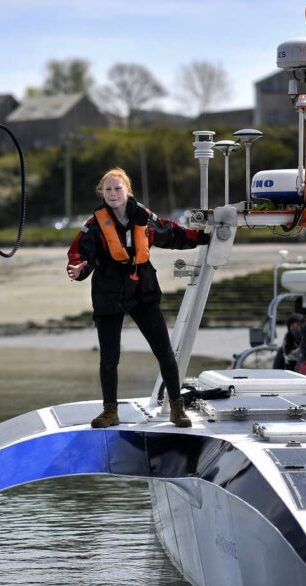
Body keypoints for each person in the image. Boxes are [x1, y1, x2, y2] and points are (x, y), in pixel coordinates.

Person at [67, 167, 209, 428]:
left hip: (142, 291)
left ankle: (177, 408)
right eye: (108, 189)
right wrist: (78, 269)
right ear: (102, 193)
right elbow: (79, 253)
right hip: (108, 294)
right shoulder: (94, 225)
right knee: (109, 358)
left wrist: (203, 237)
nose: (112, 193)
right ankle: (110, 411)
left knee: (164, 352)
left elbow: (170, 233)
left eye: (117, 188)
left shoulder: (143, 217)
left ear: (128, 191)